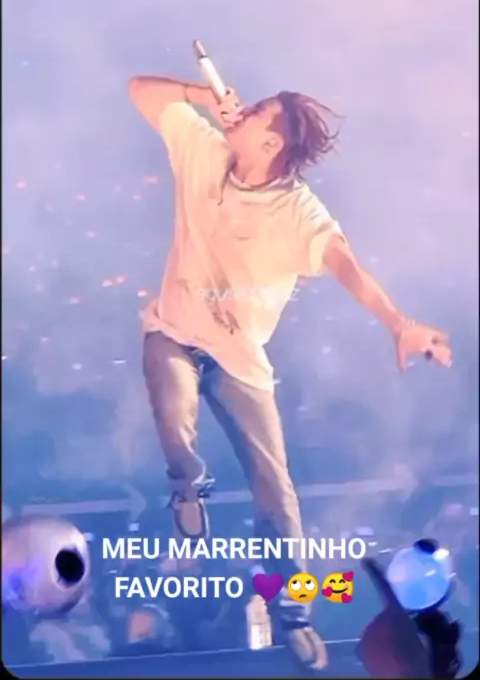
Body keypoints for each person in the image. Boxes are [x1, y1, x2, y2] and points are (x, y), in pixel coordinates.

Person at [128, 75, 453, 670]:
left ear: (272, 142)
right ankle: (188, 491)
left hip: (239, 357)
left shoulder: (297, 210)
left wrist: (398, 321)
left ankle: (294, 615)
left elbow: (345, 264)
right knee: (173, 408)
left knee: (276, 492)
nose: (239, 110)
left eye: (255, 111)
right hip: (173, 330)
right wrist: (201, 95)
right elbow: (140, 90)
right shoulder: (203, 147)